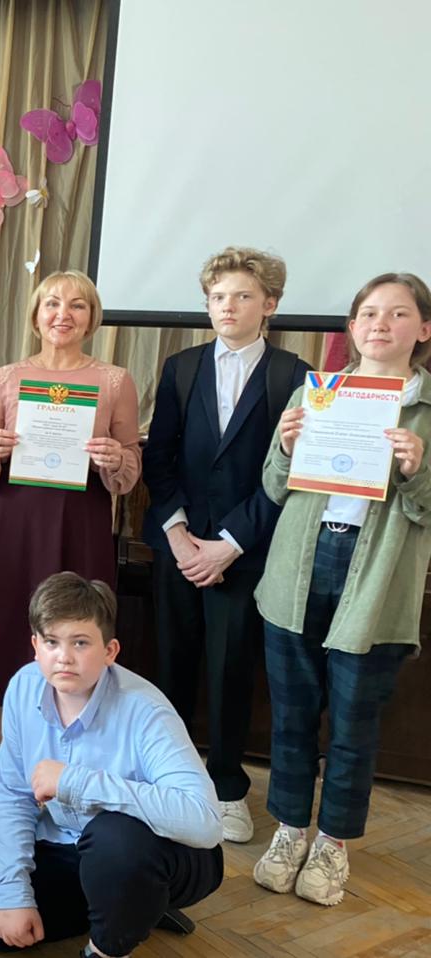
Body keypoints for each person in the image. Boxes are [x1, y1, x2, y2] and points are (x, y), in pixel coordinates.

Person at [252, 273, 431, 907]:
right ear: (352, 328)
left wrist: (417, 470)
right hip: (299, 569)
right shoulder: (317, 393)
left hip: (376, 580)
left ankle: (333, 843)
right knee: (292, 717)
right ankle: (290, 830)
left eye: (398, 313)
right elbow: (274, 486)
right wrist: (285, 445)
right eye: (368, 313)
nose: (380, 324)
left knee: (354, 724)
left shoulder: (427, 413)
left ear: (424, 329)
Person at [0, 573, 224, 956]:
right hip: (68, 845)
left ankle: (109, 943)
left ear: (110, 651)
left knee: (112, 838)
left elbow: (205, 823)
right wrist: (14, 895)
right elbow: (13, 798)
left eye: (80, 642)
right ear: (35, 646)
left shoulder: (146, 709)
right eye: (51, 642)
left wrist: (76, 783)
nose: (64, 657)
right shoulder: (23, 687)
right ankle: (134, 907)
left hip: (157, 850)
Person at [0, 269, 139, 801]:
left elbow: (129, 470)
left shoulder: (115, 381)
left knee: (74, 637)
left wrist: (115, 457)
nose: (63, 314)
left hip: (80, 525)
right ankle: (8, 753)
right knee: (9, 635)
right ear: (35, 315)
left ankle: (69, 762)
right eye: (52, 303)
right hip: (11, 524)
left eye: (77, 305)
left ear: (91, 318)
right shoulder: (6, 378)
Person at [142, 247, 309, 843]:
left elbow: (289, 472)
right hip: (179, 546)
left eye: (242, 296)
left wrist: (230, 544)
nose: (228, 306)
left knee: (232, 670)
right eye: (218, 297)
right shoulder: (180, 368)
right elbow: (159, 458)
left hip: (246, 552)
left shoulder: (295, 376)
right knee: (172, 665)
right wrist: (178, 533)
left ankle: (227, 787)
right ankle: (170, 778)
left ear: (270, 305)